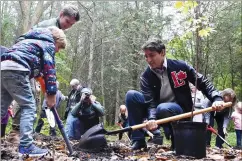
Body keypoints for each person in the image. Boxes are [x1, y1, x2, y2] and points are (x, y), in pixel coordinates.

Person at [125, 38, 225, 150]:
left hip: (179, 110)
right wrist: (151, 118)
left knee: (163, 108)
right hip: (155, 110)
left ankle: (175, 137)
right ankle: (138, 140)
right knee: (131, 95)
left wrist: (217, 98)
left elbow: (203, 82)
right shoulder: (146, 77)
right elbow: (150, 102)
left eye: (152, 55)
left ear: (162, 52)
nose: (148, 60)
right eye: (146, 56)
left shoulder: (180, 67)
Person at [1, 26, 67, 157]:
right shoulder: (47, 43)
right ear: (55, 40)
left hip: (3, 67)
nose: (57, 51)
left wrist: (45, 88)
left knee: (1, 108)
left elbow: (39, 71)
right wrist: (52, 93)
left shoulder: (28, 41)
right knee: (28, 107)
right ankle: (26, 146)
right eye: (58, 47)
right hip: (18, 69)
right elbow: (50, 69)